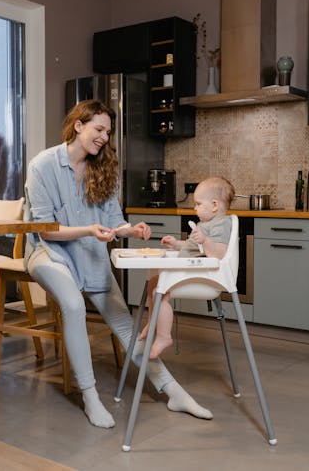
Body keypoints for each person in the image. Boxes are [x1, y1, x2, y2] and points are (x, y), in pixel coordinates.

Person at [23, 99, 213, 429]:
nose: (104, 137)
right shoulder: (43, 165)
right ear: (78, 125)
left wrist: (131, 229)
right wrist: (88, 230)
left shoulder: (104, 168)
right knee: (72, 305)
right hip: (49, 253)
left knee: (124, 322)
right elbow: (44, 230)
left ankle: (172, 391)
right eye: (99, 129)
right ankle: (90, 396)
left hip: (89, 252)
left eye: (108, 132)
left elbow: (113, 222)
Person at [138, 177, 235, 359]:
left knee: (161, 290)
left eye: (198, 204)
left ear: (214, 205)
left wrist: (205, 240)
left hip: (206, 276)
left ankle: (164, 337)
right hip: (194, 269)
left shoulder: (222, 224)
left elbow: (220, 255)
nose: (195, 208)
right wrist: (176, 244)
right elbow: (192, 248)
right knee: (153, 283)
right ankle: (153, 322)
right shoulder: (203, 225)